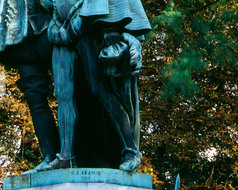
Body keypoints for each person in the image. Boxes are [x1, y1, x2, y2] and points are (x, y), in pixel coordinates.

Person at [41, 0, 151, 172]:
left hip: (85, 22)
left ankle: (131, 151)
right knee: (62, 94)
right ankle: (66, 156)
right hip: (59, 30)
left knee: (99, 89)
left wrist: (111, 30)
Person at [0, 0, 59, 171]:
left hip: (50, 29)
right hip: (20, 38)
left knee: (66, 93)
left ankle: (72, 153)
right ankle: (49, 155)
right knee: (35, 98)